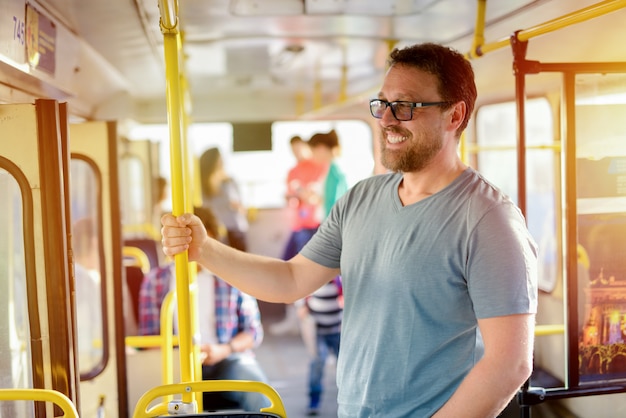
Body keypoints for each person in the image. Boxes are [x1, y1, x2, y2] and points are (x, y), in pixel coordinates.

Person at [161, 42, 538, 417]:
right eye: (382, 104)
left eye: (404, 106)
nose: (387, 120)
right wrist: (204, 250)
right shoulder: (361, 199)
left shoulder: (489, 220)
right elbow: (291, 279)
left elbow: (510, 364)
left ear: (454, 115)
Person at [139, 206, 269, 412]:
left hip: (226, 360)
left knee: (261, 394)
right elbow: (148, 339)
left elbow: (252, 332)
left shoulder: (230, 276)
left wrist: (222, 350)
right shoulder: (155, 281)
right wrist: (183, 355)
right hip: (174, 364)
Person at [270, 135, 326, 336]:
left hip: (313, 226)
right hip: (298, 226)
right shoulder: (292, 172)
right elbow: (293, 197)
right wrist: (293, 196)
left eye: (299, 149)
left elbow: (318, 196)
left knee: (308, 273)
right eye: (293, 150)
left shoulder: (319, 168)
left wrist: (304, 194)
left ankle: (312, 320)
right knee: (285, 267)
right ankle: (293, 317)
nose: (297, 153)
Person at [296, 276, 343, 415]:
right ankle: (314, 400)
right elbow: (300, 295)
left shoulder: (338, 280)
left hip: (337, 330)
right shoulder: (313, 281)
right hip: (318, 332)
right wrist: (301, 308)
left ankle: (348, 396)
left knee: (344, 364)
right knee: (317, 363)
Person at [199, 147, 249, 252]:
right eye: (219, 159)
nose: (222, 162)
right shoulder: (204, 186)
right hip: (219, 230)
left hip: (234, 229)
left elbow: (239, 205)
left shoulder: (229, 182)